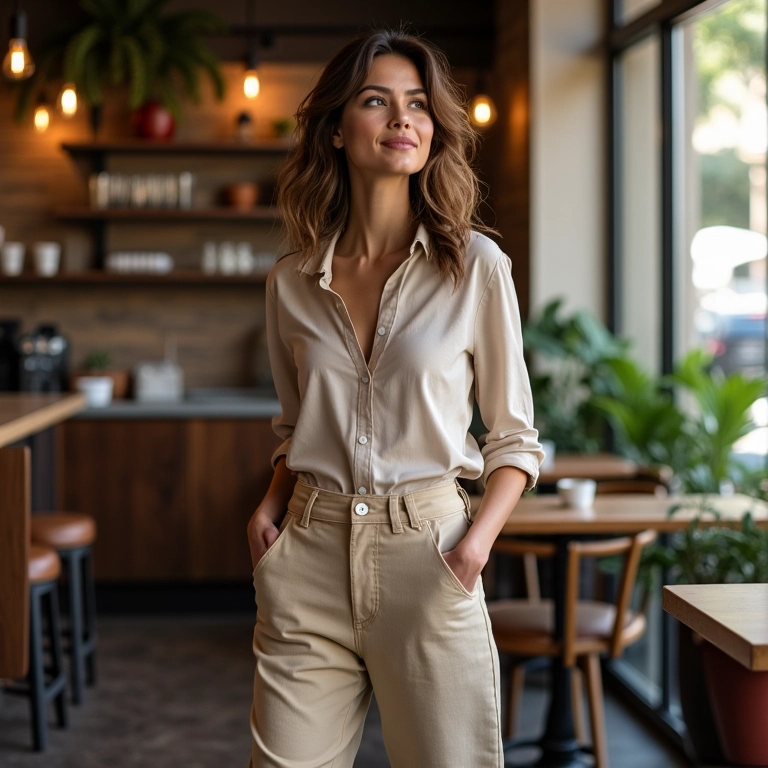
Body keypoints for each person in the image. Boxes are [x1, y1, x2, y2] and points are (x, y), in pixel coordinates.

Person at [246, 28, 544, 768]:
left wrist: (471, 551)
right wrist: (270, 504)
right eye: (376, 102)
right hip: (307, 555)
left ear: (434, 129)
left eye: (417, 105)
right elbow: (295, 426)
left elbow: (515, 441)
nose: (401, 120)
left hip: (431, 554)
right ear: (338, 130)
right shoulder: (290, 281)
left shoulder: (475, 265)